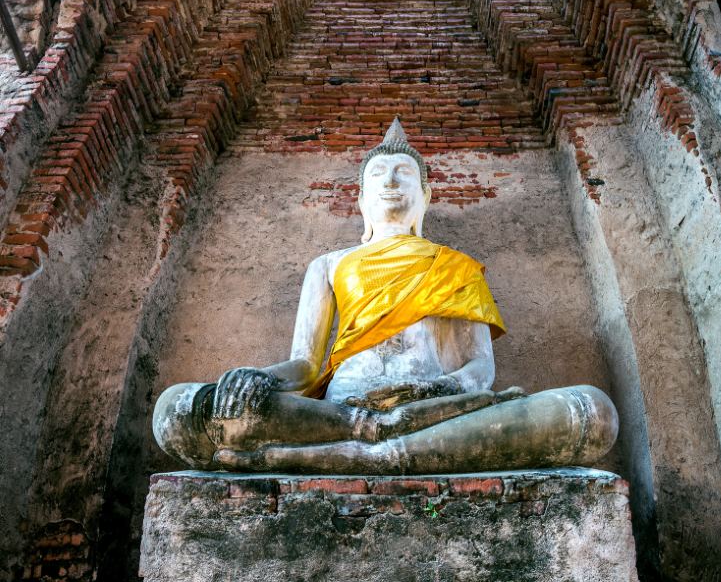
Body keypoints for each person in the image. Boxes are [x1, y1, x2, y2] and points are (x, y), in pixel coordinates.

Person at [154, 119, 618, 474]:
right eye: (379, 173)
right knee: (178, 409)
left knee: (591, 412)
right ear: (361, 199)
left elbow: (479, 370)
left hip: (435, 410)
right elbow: (307, 367)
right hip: (339, 412)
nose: (391, 182)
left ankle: (356, 452)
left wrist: (433, 389)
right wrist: (260, 378)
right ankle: (376, 444)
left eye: (403, 173)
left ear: (426, 196)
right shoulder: (330, 264)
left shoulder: (454, 265)